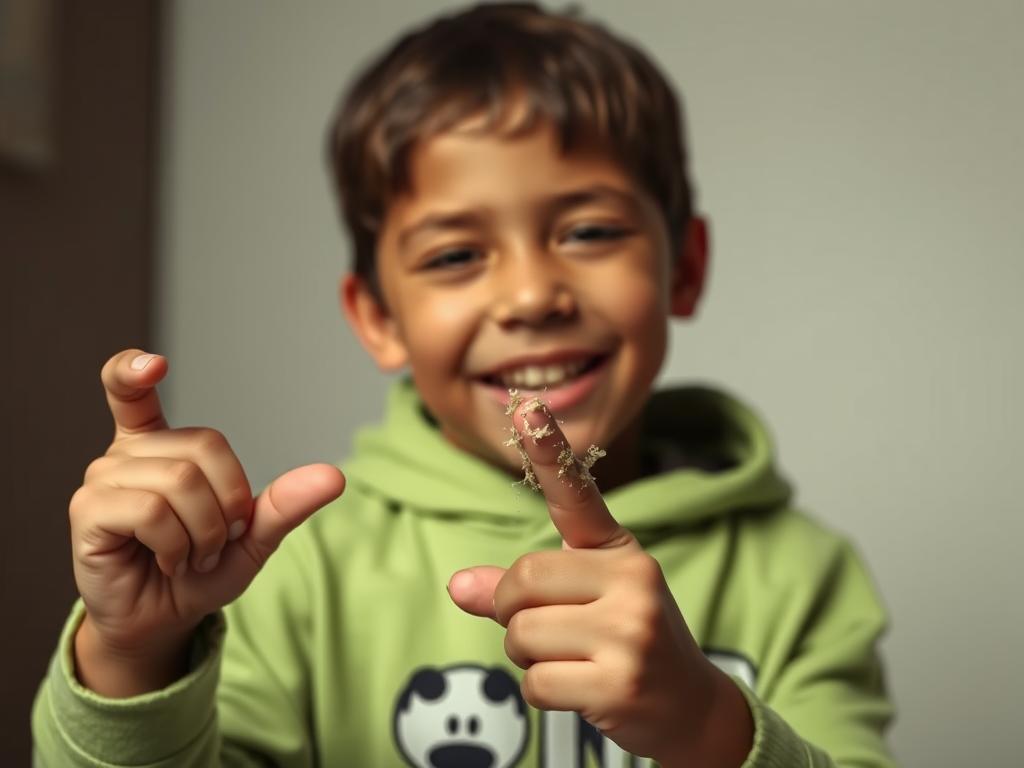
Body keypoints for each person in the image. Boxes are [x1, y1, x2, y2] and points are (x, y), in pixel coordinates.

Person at [32, 3, 896, 766]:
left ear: (687, 267)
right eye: (454, 256)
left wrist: (707, 723)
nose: (530, 297)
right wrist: (133, 658)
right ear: (377, 316)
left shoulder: (800, 574)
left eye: (590, 231)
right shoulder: (289, 571)